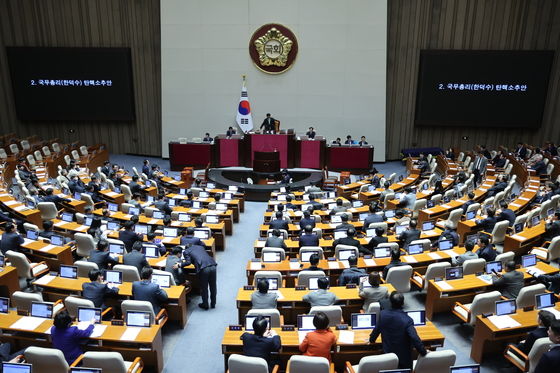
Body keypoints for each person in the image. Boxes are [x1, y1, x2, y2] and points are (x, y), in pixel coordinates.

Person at [369, 292, 428, 369]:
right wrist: (424, 351)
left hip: (388, 357)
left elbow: (376, 330)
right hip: (403, 361)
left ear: (390, 302)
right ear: (403, 303)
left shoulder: (383, 314)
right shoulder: (407, 320)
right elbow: (414, 337)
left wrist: (371, 340)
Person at [183, 243, 217, 310]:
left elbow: (188, 262)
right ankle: (213, 304)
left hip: (203, 269)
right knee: (213, 286)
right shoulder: (200, 247)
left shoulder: (186, 251)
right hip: (212, 266)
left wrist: (179, 265)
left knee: (204, 288)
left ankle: (205, 304)